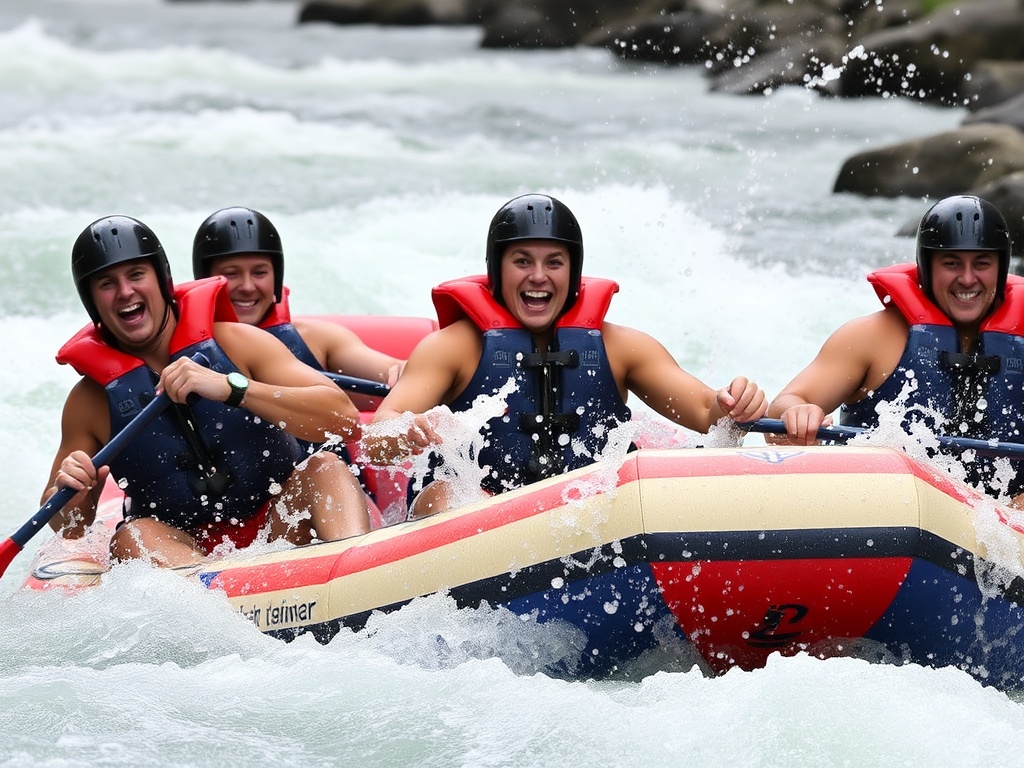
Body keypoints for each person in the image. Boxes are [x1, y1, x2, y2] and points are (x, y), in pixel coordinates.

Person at [363, 193, 768, 517]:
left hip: (586, 521)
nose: (538, 276)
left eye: (553, 262)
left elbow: (705, 414)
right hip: (470, 512)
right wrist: (406, 430)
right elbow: (378, 434)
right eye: (522, 261)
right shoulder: (452, 347)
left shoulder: (622, 347)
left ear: (572, 274)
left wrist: (732, 404)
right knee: (451, 492)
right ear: (496, 270)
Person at [42, 215, 371, 568]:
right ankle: (220, 611)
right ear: (92, 301)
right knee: (132, 537)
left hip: (282, 525)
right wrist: (77, 494)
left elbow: (344, 420)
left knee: (325, 467)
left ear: (163, 280)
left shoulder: (237, 343)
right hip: (184, 553)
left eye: (137, 275)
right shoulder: (88, 402)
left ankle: (358, 576)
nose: (125, 292)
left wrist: (233, 388)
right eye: (107, 283)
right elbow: (68, 529)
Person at [767, 194, 1024, 500]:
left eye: (981, 263)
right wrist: (797, 413)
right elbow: (782, 409)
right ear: (927, 267)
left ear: (1001, 267)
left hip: (1005, 523)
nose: (967, 279)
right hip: (887, 514)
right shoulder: (871, 337)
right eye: (951, 263)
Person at [191, 206, 403, 389]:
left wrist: (401, 372)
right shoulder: (180, 349)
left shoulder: (319, 339)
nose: (247, 287)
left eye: (259, 273)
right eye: (231, 273)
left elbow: (394, 370)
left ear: (277, 277)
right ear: (204, 280)